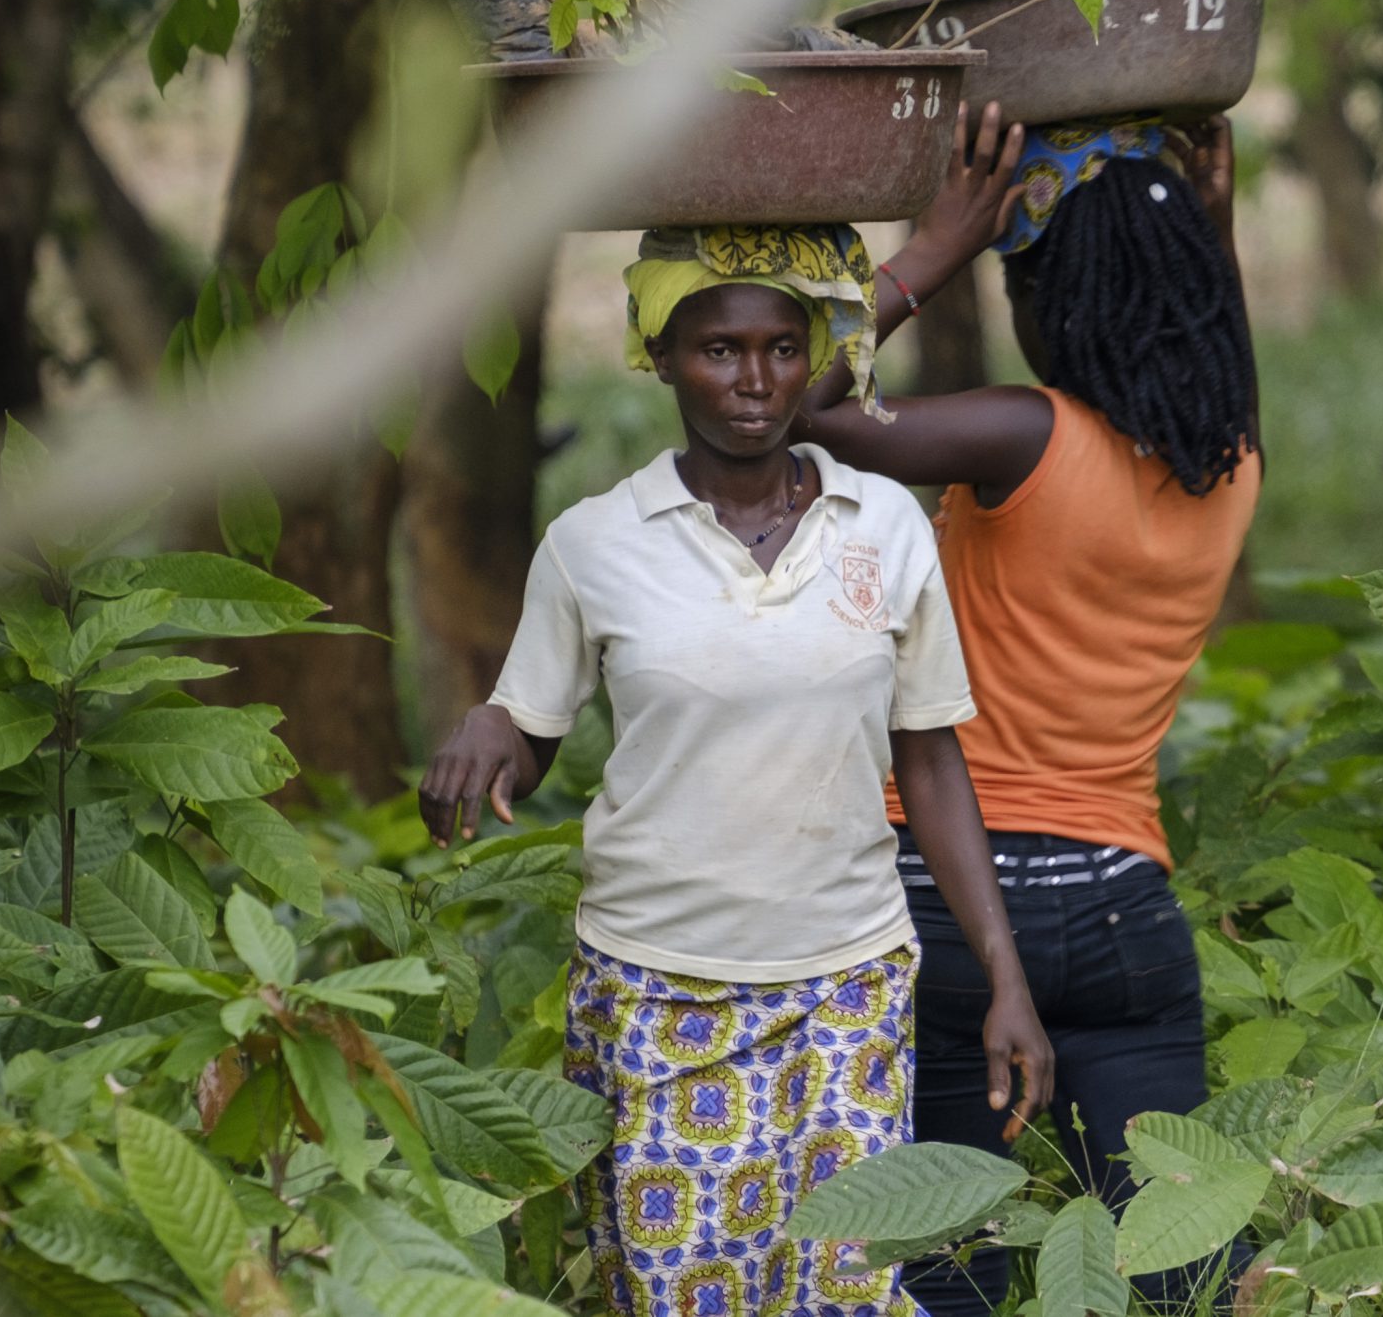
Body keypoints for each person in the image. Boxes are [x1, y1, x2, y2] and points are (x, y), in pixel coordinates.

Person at [418, 222, 1054, 1317]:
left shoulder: (887, 525)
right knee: (684, 1292)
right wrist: (487, 723)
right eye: (718, 349)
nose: (753, 381)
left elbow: (931, 757)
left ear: (814, 358)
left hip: (848, 983)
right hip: (661, 984)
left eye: (779, 347)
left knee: (845, 1292)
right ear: (658, 354)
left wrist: (1006, 972)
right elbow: (531, 729)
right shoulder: (593, 543)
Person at [794, 105, 1262, 1317]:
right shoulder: (1235, 465)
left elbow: (795, 406)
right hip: (1124, 914)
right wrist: (1213, 231)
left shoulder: (1024, 436)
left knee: (951, 1267)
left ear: (1054, 297)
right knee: (1180, 1269)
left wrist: (936, 243)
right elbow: (1217, 354)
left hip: (950, 905)